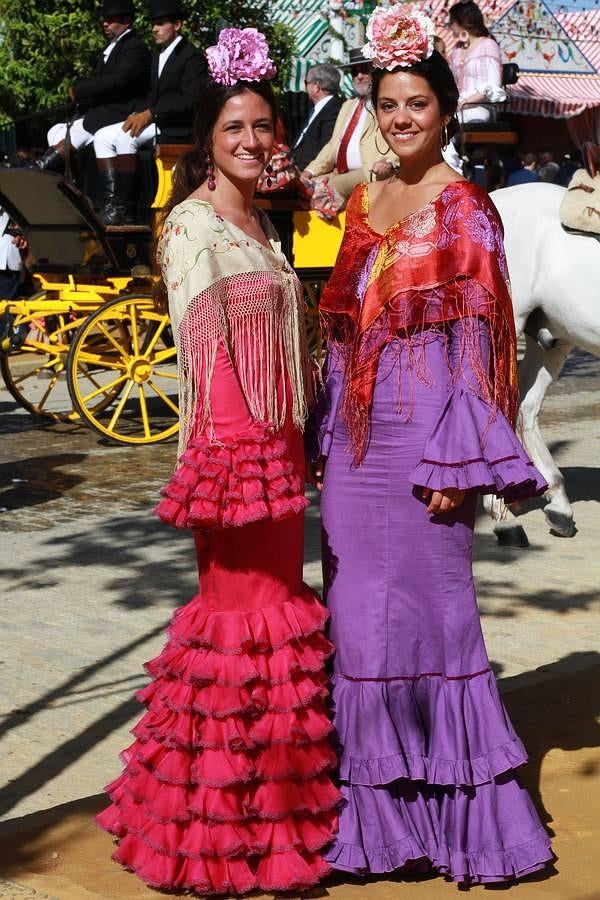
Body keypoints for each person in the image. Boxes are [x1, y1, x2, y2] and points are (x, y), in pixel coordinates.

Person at [95, 27, 340, 895]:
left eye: (263, 127)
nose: (251, 140)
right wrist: (243, 459)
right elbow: (208, 356)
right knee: (242, 625)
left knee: (277, 618)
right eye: (234, 127)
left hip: (277, 444)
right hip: (237, 456)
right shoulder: (194, 224)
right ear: (208, 139)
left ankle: (275, 819)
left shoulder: (262, 218)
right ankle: (217, 827)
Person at [312, 4, 553, 884]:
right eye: (388, 104)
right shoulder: (368, 200)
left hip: (426, 442)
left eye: (417, 103)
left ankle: (463, 828)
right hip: (355, 445)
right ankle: (379, 826)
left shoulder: (465, 207)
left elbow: (487, 350)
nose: (402, 116)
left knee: (436, 621)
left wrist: (462, 465)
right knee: (357, 627)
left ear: (446, 111)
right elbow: (344, 331)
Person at [92, 0, 206, 225]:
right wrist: (138, 112)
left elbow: (190, 99)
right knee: (102, 137)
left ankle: (125, 208)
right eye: (153, 24)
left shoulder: (191, 56)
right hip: (155, 119)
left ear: (177, 25)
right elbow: (151, 96)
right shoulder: (158, 56)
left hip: (175, 126)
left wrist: (151, 113)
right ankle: (111, 203)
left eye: (161, 23)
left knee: (126, 137)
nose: (154, 28)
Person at [37, 0, 150, 172]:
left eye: (111, 19)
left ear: (126, 21)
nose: (105, 23)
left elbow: (116, 80)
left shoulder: (135, 47)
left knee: (78, 133)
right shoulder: (111, 46)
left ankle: (39, 168)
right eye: (105, 19)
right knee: (56, 131)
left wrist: (79, 90)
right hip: (102, 109)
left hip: (121, 110)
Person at [302, 48, 398, 209]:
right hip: (339, 171)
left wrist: (390, 162)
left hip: (369, 171)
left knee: (327, 189)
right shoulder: (348, 105)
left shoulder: (386, 103)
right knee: (305, 188)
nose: (359, 76)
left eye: (364, 71)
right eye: (355, 72)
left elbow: (399, 138)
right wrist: (309, 172)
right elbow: (332, 145)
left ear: (375, 71)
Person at [448, 1, 505, 124]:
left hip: (480, 107)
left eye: (451, 22)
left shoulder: (488, 45)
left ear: (462, 22)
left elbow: (492, 85)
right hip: (457, 107)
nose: (450, 26)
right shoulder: (456, 49)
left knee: (450, 124)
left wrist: (464, 103)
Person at [291, 64, 344, 172]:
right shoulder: (316, 108)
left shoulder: (335, 110)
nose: (305, 87)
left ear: (317, 86)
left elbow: (325, 149)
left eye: (306, 82)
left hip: (308, 172)